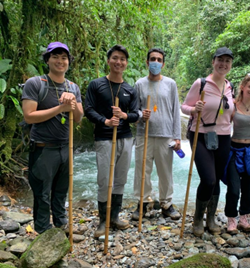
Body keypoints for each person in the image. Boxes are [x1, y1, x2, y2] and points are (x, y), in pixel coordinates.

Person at [21, 42, 83, 234]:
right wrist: (60, 108)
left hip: (65, 147)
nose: (60, 61)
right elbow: (29, 116)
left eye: (64, 57)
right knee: (42, 192)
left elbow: (79, 119)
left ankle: (60, 224)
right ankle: (43, 230)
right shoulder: (36, 84)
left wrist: (72, 104)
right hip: (42, 147)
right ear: (47, 60)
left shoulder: (73, 87)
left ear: (69, 62)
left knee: (61, 190)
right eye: (55, 56)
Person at [85, 45, 138, 237]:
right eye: (115, 58)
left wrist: (124, 115)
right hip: (104, 139)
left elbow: (135, 114)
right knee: (104, 180)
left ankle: (115, 216)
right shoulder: (96, 85)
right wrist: (105, 121)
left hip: (125, 138)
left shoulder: (129, 89)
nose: (119, 62)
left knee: (120, 179)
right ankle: (102, 221)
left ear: (126, 63)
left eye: (123, 59)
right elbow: (88, 109)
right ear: (108, 61)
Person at [181, 47, 235, 236]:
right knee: (208, 178)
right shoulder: (201, 83)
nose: (223, 64)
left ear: (231, 65)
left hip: (223, 137)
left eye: (227, 61)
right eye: (220, 60)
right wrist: (193, 109)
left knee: (217, 179)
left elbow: (232, 113)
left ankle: (210, 219)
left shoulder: (230, 87)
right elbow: (184, 106)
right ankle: (197, 219)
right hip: (201, 134)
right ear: (213, 62)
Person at [132, 48, 181, 221]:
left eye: (159, 60)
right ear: (147, 63)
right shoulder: (139, 84)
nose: (155, 62)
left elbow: (176, 111)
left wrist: (177, 137)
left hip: (165, 135)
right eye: (152, 59)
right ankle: (142, 203)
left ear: (163, 63)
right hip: (143, 133)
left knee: (165, 172)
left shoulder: (170, 84)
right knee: (142, 171)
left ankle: (166, 203)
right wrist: (139, 115)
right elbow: (133, 110)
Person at [224, 73, 250, 234]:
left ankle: (244, 218)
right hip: (234, 149)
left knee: (248, 187)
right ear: (243, 87)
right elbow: (224, 124)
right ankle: (231, 218)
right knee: (234, 187)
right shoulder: (233, 105)